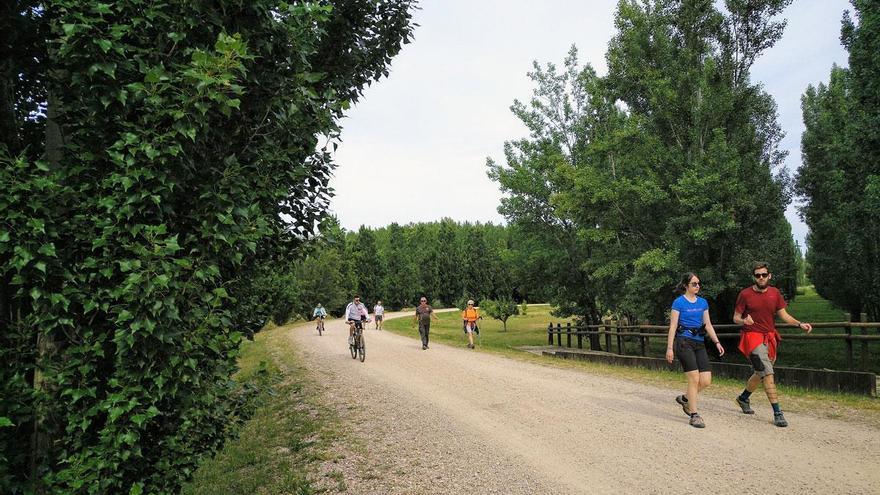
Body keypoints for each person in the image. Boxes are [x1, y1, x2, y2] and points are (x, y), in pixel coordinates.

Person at [732, 262, 812, 427]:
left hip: (769, 338)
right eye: (757, 275)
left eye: (763, 274)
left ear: (769, 276)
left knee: (760, 373)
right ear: (754, 277)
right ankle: (778, 412)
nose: (760, 278)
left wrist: (799, 324)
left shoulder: (775, 293)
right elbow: (736, 317)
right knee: (767, 374)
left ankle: (743, 398)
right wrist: (743, 320)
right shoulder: (745, 294)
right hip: (752, 338)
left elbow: (784, 315)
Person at [665, 273, 724, 428]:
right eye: (694, 284)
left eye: (698, 283)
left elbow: (708, 324)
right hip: (684, 342)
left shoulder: (703, 302)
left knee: (706, 380)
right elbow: (672, 326)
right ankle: (694, 414)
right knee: (694, 378)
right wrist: (670, 348)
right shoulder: (678, 303)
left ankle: (685, 399)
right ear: (686, 285)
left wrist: (717, 342)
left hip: (699, 342)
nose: (697, 286)